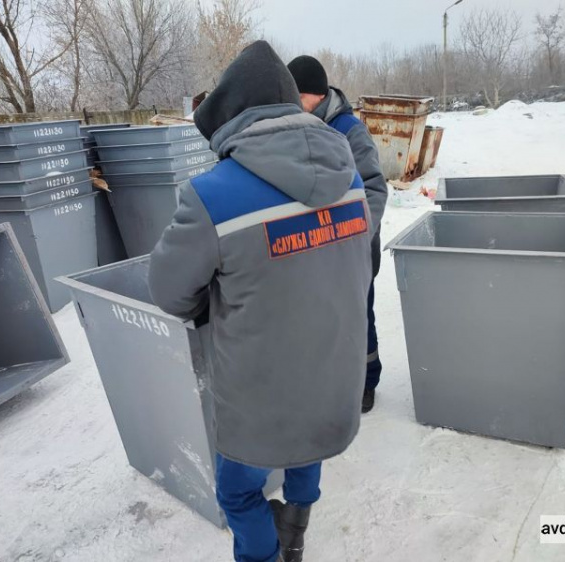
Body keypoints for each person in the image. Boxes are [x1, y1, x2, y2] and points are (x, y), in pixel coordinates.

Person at [148, 41, 372, 562]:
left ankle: (264, 554)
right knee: (306, 449)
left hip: (260, 399)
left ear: (232, 121)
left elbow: (169, 291)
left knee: (238, 492)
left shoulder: (213, 194)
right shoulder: (353, 179)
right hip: (334, 382)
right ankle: (294, 531)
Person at [287, 56, 388, 414]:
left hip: (354, 246)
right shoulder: (296, 127)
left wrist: (355, 236)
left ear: (314, 94)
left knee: (359, 316)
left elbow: (374, 188)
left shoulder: (348, 129)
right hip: (315, 247)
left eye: (295, 95)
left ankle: (366, 380)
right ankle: (330, 378)